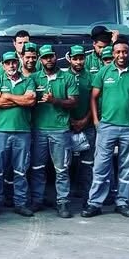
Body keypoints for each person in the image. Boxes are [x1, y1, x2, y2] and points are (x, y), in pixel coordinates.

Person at [82, 36, 129, 219]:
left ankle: (123, 202)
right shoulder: (104, 72)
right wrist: (96, 121)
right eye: (118, 52)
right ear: (113, 52)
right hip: (107, 127)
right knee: (101, 167)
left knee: (127, 167)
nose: (121, 55)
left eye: (124, 51)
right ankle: (95, 203)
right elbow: (93, 97)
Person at [30, 45, 78, 218]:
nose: (48, 60)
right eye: (44, 57)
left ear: (55, 57)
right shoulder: (34, 78)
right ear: (40, 60)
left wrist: (54, 100)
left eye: (50, 56)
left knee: (62, 168)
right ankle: (37, 200)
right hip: (39, 129)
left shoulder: (67, 77)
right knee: (37, 167)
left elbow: (73, 102)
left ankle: (63, 202)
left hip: (60, 130)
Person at [0, 51, 37, 216]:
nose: (11, 66)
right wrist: (20, 100)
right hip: (1, 132)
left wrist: (8, 95)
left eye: (14, 62)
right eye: (7, 63)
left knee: (21, 170)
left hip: (23, 132)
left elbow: (30, 101)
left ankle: (20, 203)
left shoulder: (28, 80)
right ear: (3, 65)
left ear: (18, 63)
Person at [68, 45, 95, 200]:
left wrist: (85, 120)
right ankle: (68, 195)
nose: (78, 62)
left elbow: (94, 102)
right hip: (68, 125)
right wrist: (72, 121)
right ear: (69, 59)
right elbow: (63, 102)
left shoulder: (91, 77)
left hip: (88, 125)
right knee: (67, 162)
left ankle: (86, 195)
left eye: (81, 58)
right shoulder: (64, 77)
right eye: (75, 58)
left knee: (87, 162)